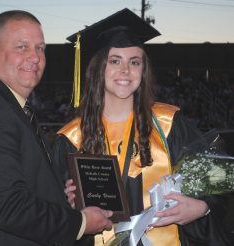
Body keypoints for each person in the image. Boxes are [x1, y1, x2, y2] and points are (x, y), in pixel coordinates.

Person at [52, 8, 234, 246]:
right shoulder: (71, 138)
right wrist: (70, 205)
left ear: (143, 69)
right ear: (98, 69)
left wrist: (202, 207)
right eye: (115, 60)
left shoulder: (168, 124)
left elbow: (217, 177)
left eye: (134, 62)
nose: (125, 70)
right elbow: (52, 216)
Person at [0, 10, 113, 246]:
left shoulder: (8, 107)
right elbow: (7, 206)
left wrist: (61, 199)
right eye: (22, 47)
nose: (35, 57)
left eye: (40, 48)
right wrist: (80, 222)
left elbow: (16, 184)